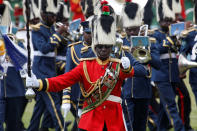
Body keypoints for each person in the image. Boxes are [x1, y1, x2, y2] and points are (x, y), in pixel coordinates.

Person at [26, 4, 147, 131]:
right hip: (91, 119)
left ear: (111, 45)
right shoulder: (86, 63)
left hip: (115, 119)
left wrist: (128, 68)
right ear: (95, 46)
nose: (103, 50)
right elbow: (63, 80)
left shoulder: (119, 57)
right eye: (100, 46)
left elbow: (142, 70)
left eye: (106, 46)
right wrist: (38, 83)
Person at [120, 1, 161, 130]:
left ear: (140, 26)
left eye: (134, 29)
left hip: (144, 90)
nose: (131, 32)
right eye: (129, 29)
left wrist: (145, 54)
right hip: (126, 91)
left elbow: (158, 64)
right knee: (129, 125)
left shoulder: (149, 41)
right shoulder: (121, 42)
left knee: (141, 126)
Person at [27, 0, 67, 131]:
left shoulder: (52, 29)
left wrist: (64, 34)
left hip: (50, 71)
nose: (55, 18)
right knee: (54, 105)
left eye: (55, 15)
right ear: (43, 15)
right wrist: (58, 34)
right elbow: (44, 48)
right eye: (52, 15)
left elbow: (61, 47)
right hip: (42, 72)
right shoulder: (37, 30)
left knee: (40, 107)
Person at [150, 0, 185, 130]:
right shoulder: (155, 34)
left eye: (170, 20)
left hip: (173, 74)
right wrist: (169, 41)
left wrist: (178, 42)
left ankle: (160, 128)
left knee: (165, 107)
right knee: (171, 105)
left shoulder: (175, 35)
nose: (168, 23)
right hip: (161, 75)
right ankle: (179, 128)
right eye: (165, 20)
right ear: (160, 21)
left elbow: (178, 53)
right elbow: (156, 50)